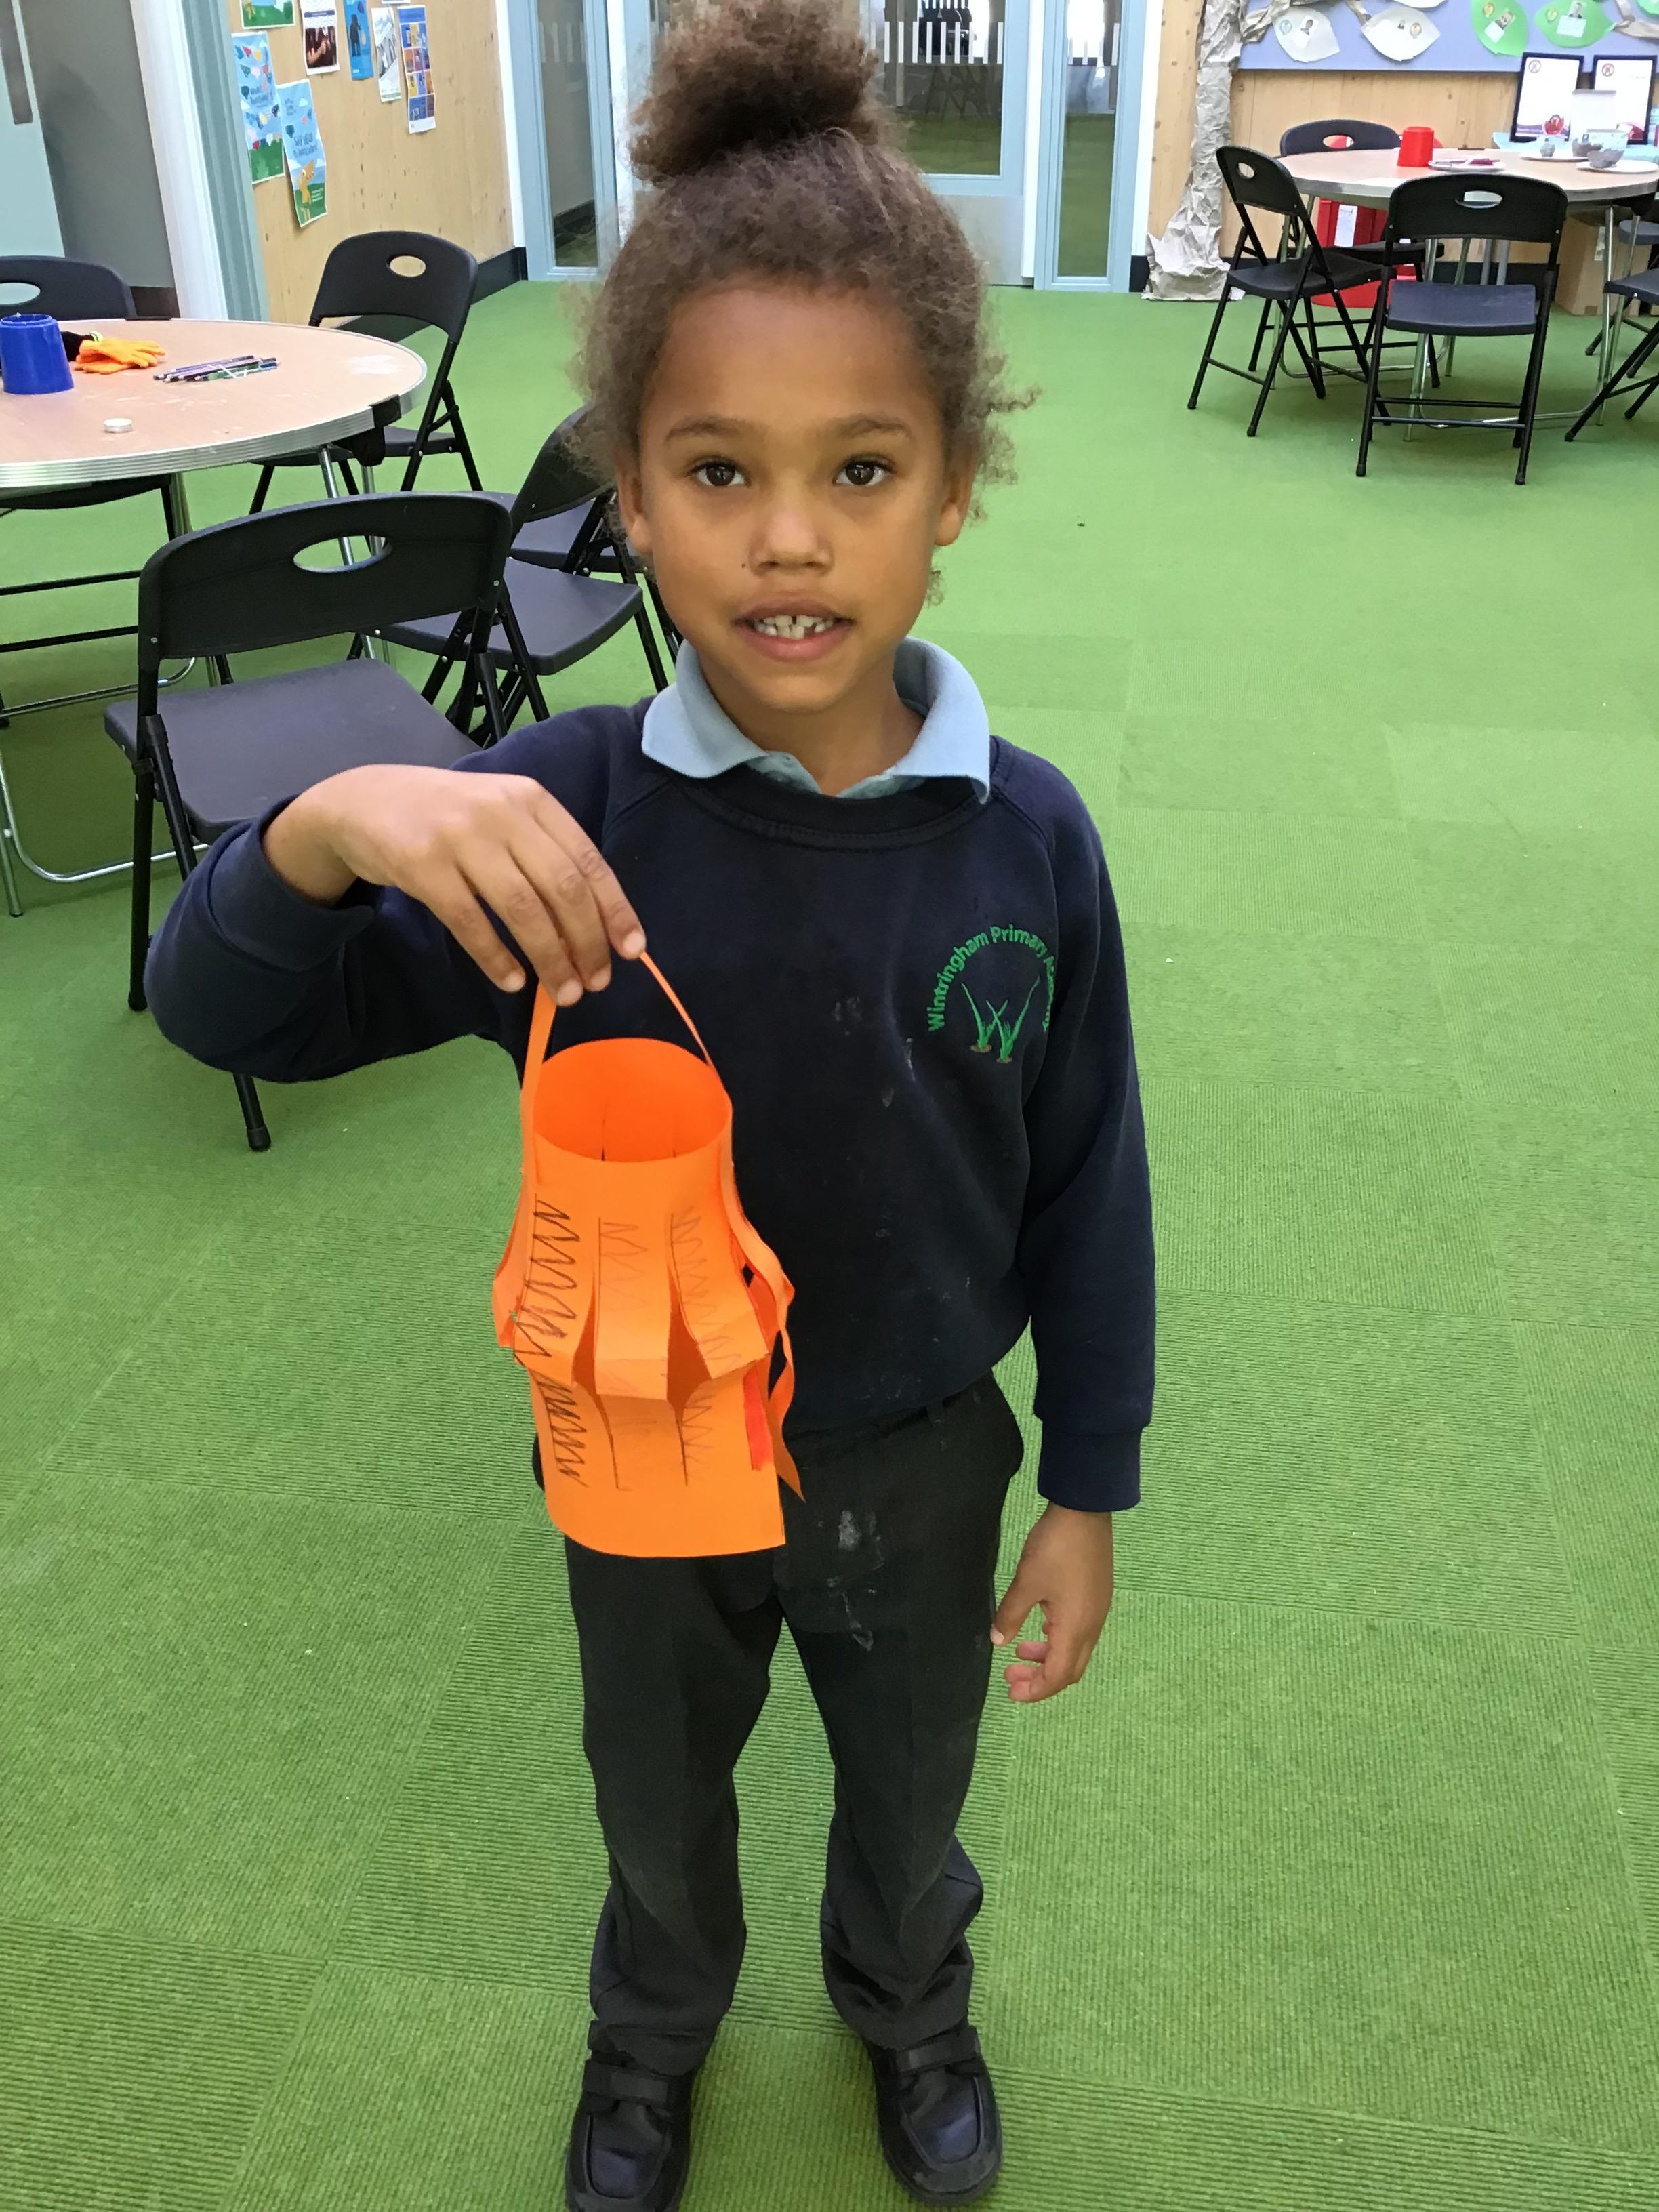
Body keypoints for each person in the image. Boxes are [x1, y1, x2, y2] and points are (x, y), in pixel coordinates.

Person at [146, 4, 1154, 2206]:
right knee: (655, 1802)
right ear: (627, 496)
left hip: (921, 1451)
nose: (790, 542)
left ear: (954, 487)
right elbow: (222, 1017)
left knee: (913, 1796)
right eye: (717, 473)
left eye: (860, 471)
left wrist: (1090, 1481)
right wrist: (330, 823)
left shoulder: (1030, 838)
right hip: (638, 1456)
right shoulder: (559, 821)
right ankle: (650, 2049)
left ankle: (911, 2007)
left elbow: (1092, 1186)